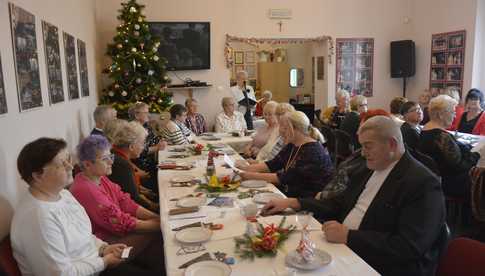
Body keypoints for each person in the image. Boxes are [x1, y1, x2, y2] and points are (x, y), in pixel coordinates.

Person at [261, 116, 446, 276]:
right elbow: (339, 203)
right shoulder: (369, 168)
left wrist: (349, 236)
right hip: (343, 246)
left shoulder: (422, 184)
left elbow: (408, 247)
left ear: (392, 144)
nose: (363, 153)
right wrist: (294, 202)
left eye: (368, 146)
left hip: (379, 264)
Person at [11, 138, 133, 276]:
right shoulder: (38, 218)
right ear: (38, 175)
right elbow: (60, 273)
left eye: (69, 159)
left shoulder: (63, 194)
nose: (70, 166)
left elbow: (84, 236)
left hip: (96, 265)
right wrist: (104, 261)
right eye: (62, 164)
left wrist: (103, 248)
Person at [71, 135, 164, 274]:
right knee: (158, 234)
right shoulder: (85, 189)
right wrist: (161, 224)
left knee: (159, 238)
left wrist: (156, 217)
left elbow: (126, 202)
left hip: (115, 234)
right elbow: (120, 222)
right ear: (87, 164)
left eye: (110, 156)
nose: (111, 162)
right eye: (104, 159)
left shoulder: (100, 178)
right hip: (104, 245)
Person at [238, 111, 333, 198]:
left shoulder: (313, 152)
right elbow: (272, 164)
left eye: (284, 127)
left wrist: (248, 175)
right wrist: (243, 169)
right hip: (290, 194)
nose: (280, 131)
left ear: (296, 129)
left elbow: (283, 178)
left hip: (306, 201)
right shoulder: (293, 145)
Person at [418, 95, 479, 198]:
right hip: (450, 183)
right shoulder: (441, 137)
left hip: (436, 179)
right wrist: (476, 155)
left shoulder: (425, 130)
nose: (455, 116)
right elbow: (460, 167)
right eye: (452, 112)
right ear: (441, 115)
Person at [105, 119, 159, 213]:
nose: (143, 147)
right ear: (131, 147)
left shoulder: (118, 155)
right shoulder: (122, 164)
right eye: (142, 143)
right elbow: (133, 198)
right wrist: (156, 208)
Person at [128, 102, 166, 192]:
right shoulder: (131, 129)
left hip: (151, 163)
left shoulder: (146, 126)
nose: (148, 115)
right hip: (141, 167)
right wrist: (157, 148)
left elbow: (155, 140)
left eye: (148, 112)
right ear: (136, 115)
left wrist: (161, 140)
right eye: (145, 113)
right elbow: (140, 151)